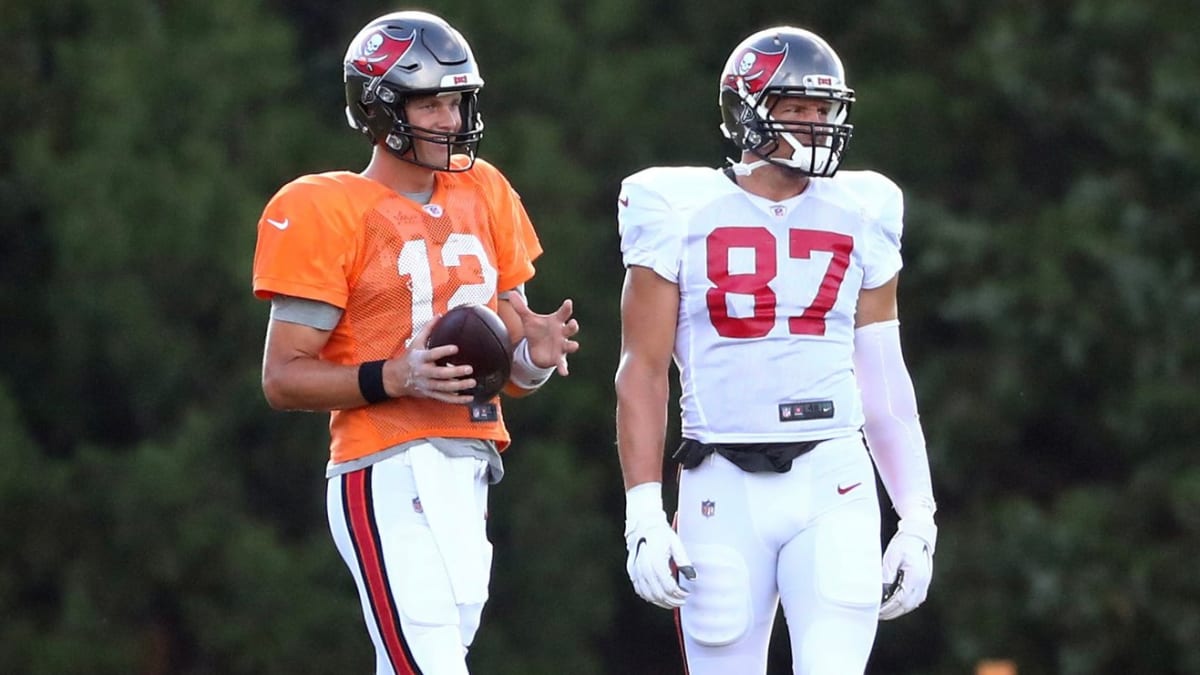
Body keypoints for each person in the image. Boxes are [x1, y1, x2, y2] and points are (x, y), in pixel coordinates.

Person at [250, 11, 580, 675]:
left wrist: (536, 358)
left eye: (456, 101)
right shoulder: (329, 208)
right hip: (385, 466)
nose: (451, 120)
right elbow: (283, 377)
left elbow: (505, 370)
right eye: (431, 103)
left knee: (422, 658)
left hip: (472, 462)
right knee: (429, 663)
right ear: (380, 109)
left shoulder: (485, 192)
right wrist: (390, 377)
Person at [614, 25, 936, 674]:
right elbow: (642, 371)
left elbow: (884, 380)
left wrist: (918, 516)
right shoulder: (675, 206)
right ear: (747, 111)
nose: (816, 126)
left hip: (833, 478)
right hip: (719, 483)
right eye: (796, 110)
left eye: (825, 110)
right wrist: (643, 511)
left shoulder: (864, 207)